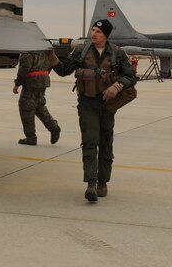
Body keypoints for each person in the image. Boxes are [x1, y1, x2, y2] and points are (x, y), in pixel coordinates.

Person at [50, 19, 138, 202]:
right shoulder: (82, 51)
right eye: (93, 30)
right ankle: (90, 183)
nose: (94, 34)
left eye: (98, 31)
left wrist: (117, 86)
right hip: (87, 102)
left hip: (107, 105)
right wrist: (52, 58)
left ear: (105, 35)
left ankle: (102, 182)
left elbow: (131, 76)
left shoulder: (117, 53)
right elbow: (64, 70)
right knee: (89, 141)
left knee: (105, 142)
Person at [13, 51, 60, 146]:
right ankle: (53, 126)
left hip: (32, 81)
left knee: (26, 108)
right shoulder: (44, 47)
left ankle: (31, 137)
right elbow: (52, 62)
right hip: (43, 79)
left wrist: (17, 84)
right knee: (39, 106)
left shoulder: (28, 51)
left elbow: (24, 69)